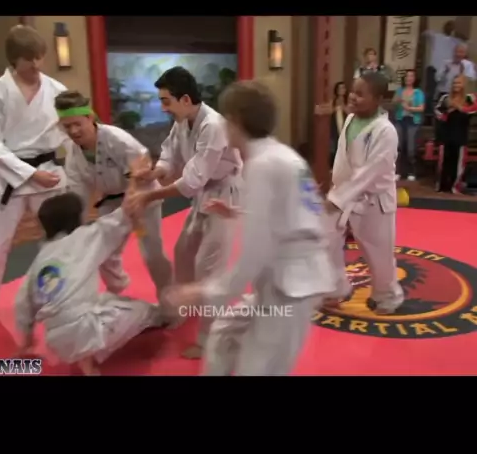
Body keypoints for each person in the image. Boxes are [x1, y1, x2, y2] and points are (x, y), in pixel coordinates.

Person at [159, 80, 336, 376]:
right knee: (224, 334)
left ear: (235, 121)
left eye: (226, 119)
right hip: (291, 279)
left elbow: (253, 255)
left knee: (258, 367)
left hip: (291, 289)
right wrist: (237, 213)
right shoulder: (282, 155)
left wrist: (203, 292)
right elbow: (295, 215)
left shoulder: (263, 165)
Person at [129, 66, 243, 359]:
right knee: (183, 252)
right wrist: (154, 173)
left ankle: (209, 339)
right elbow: (170, 155)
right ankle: (188, 308)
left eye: (166, 101)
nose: (163, 107)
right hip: (205, 194)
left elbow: (192, 180)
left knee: (209, 268)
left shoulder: (213, 125)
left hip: (225, 194)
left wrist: (149, 195)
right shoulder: (183, 121)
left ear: (186, 99)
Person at [14, 191, 166, 376]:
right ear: (76, 219)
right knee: (144, 311)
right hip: (86, 329)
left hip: (56, 341)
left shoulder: (40, 259)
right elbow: (120, 218)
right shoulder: (86, 236)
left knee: (102, 301)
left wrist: (27, 341)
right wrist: (136, 193)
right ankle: (161, 317)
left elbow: (22, 303)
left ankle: (87, 364)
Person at [54, 90, 173, 300]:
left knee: (151, 251)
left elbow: (140, 172)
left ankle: (168, 297)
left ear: (90, 117)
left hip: (143, 197)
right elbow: (78, 196)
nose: (73, 131)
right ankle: (116, 290)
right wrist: (75, 231)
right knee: (103, 250)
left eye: (77, 124)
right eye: (67, 126)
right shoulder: (73, 153)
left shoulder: (117, 140)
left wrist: (132, 205)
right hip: (110, 202)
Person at [0, 25, 68, 299]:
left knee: (58, 240)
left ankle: (58, 297)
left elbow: (70, 131)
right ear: (14, 59)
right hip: (7, 175)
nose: (37, 64)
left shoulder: (57, 89)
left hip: (49, 172)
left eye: (40, 57)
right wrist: (30, 174)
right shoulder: (0, 92)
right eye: (29, 59)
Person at [326, 71, 404, 315]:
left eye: (360, 94)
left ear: (378, 99)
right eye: (352, 91)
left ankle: (387, 297)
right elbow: (343, 160)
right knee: (326, 238)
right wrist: (334, 185)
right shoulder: (350, 119)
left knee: (378, 253)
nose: (353, 97)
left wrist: (338, 198)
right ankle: (335, 289)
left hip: (373, 201)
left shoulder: (386, 131)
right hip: (344, 193)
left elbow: (371, 172)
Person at [434, 75, 477, 193]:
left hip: (460, 136)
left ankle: (454, 186)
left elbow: (473, 110)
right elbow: (437, 112)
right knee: (444, 162)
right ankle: (442, 186)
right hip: (446, 135)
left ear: (464, 85)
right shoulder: (445, 98)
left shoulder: (469, 98)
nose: (456, 85)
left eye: (459, 83)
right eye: (454, 83)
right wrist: (448, 112)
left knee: (458, 163)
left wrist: (459, 107)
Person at [392, 70, 425, 181]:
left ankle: (412, 172)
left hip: (413, 121)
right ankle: (398, 171)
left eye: (411, 76)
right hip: (400, 120)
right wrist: (397, 100)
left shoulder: (418, 92)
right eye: (407, 76)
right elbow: (393, 103)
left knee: (411, 148)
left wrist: (410, 108)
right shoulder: (400, 91)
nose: (409, 78)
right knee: (399, 146)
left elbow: (421, 108)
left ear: (414, 79)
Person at [330, 81, 348, 165]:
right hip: (335, 123)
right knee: (334, 144)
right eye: (340, 88)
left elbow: (350, 112)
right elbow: (329, 111)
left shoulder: (347, 101)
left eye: (343, 88)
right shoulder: (333, 101)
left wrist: (343, 106)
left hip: (345, 124)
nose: (342, 90)